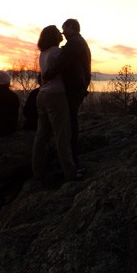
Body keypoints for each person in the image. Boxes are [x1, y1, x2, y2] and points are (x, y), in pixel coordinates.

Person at [42, 19, 91, 172]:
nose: (62, 31)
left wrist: (45, 76)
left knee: (70, 126)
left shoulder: (74, 43)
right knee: (69, 124)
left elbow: (62, 63)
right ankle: (71, 162)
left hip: (74, 88)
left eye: (64, 28)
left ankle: (73, 163)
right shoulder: (77, 42)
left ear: (71, 27)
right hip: (77, 87)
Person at [31, 26, 77, 182]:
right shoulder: (56, 52)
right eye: (58, 31)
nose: (61, 33)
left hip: (42, 95)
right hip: (56, 96)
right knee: (62, 137)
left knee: (41, 136)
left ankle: (38, 171)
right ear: (53, 36)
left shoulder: (43, 54)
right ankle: (70, 173)